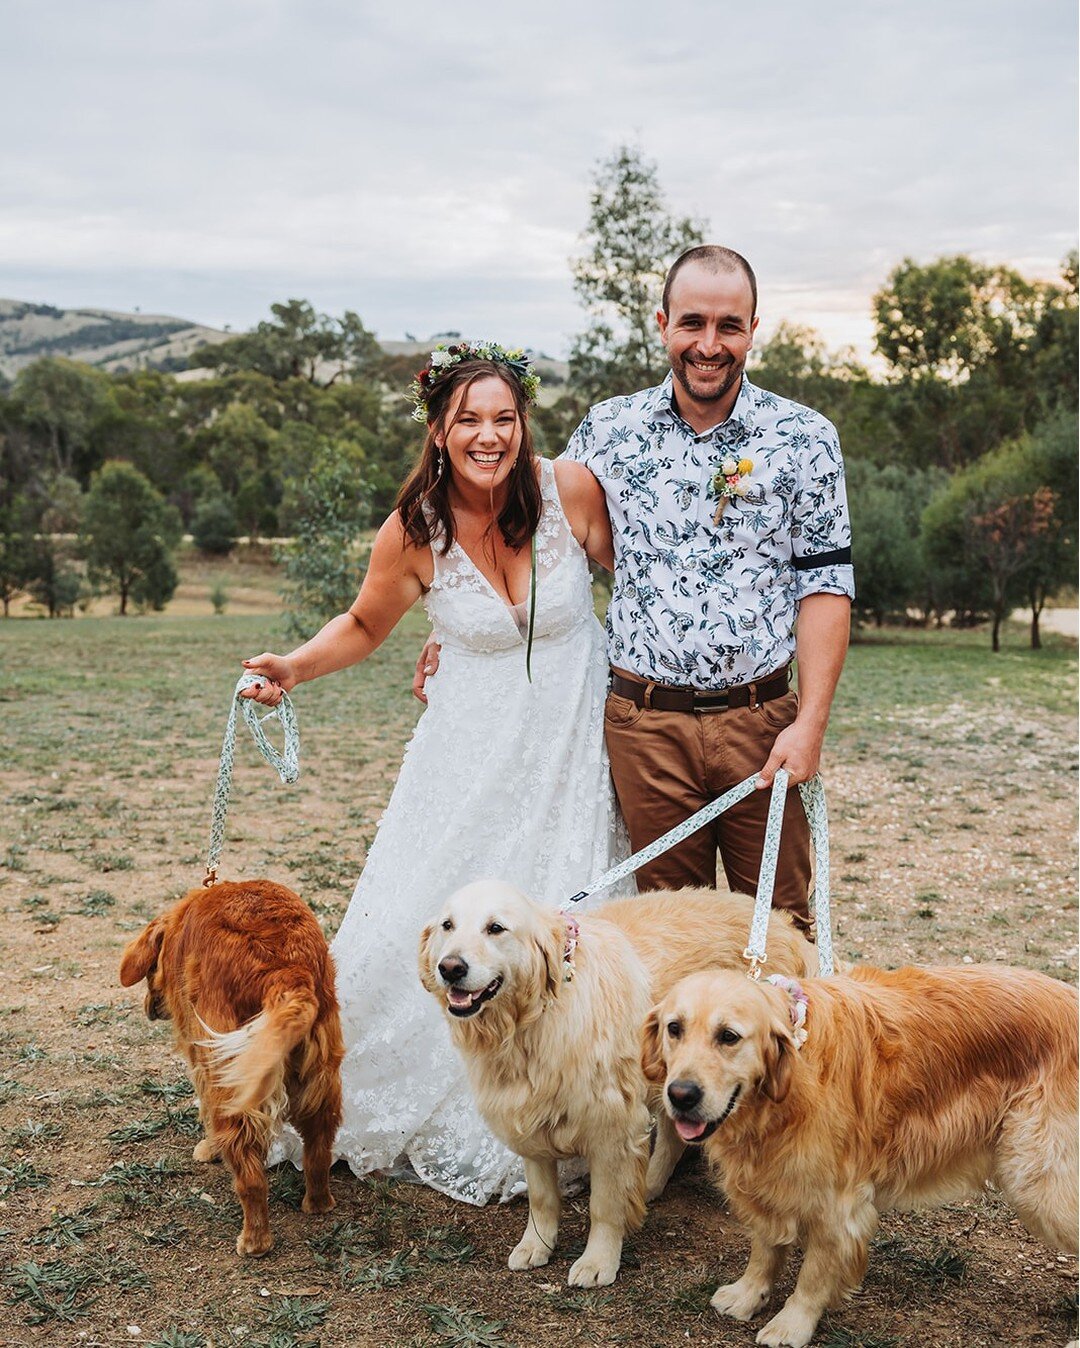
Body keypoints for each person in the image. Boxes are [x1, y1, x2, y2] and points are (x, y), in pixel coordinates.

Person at [239, 342, 623, 1204]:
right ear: (439, 432)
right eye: (468, 422)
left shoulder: (570, 492)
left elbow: (640, 582)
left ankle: (575, 1099)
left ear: (524, 424)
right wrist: (296, 667)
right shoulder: (417, 528)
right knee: (430, 921)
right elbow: (363, 623)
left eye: (504, 419)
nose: (489, 437)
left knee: (570, 928)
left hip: (570, 752)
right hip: (466, 760)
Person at [417, 247, 853, 930]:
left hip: (762, 725)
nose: (709, 345)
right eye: (692, 323)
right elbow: (531, 530)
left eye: (729, 326)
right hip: (643, 730)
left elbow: (826, 586)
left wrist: (811, 724)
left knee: (781, 931)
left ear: (753, 329)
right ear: (662, 324)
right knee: (667, 937)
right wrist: (452, 625)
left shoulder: (806, 439)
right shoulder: (607, 431)